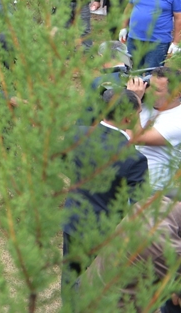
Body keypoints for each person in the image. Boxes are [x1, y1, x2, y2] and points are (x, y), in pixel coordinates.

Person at [62, 89, 147, 286]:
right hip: (104, 231)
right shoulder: (134, 159)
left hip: (72, 218)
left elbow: (65, 164)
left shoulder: (77, 133)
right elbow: (139, 205)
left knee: (70, 277)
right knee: (97, 286)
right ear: (127, 119)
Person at [128, 67, 181, 191]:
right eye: (149, 85)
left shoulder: (178, 119)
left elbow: (137, 138)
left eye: (156, 90)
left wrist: (132, 101)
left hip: (151, 186)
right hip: (127, 175)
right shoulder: (145, 103)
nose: (149, 92)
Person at [119, 0, 181, 70]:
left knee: (152, 74)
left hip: (157, 42)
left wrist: (176, 42)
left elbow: (178, 18)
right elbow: (129, 8)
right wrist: (123, 27)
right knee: (131, 70)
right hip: (134, 38)